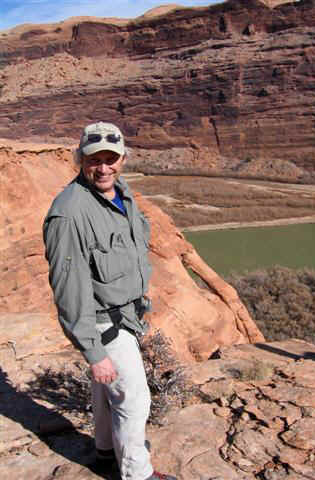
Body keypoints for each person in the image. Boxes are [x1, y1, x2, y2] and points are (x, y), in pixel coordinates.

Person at [43, 121, 176, 480]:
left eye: (111, 159)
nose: (103, 168)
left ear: (123, 159)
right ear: (79, 160)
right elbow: (69, 287)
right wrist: (93, 350)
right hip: (104, 323)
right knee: (133, 400)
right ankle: (137, 474)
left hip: (127, 316)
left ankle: (104, 452)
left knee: (106, 394)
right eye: (93, 160)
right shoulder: (69, 213)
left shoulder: (121, 193)